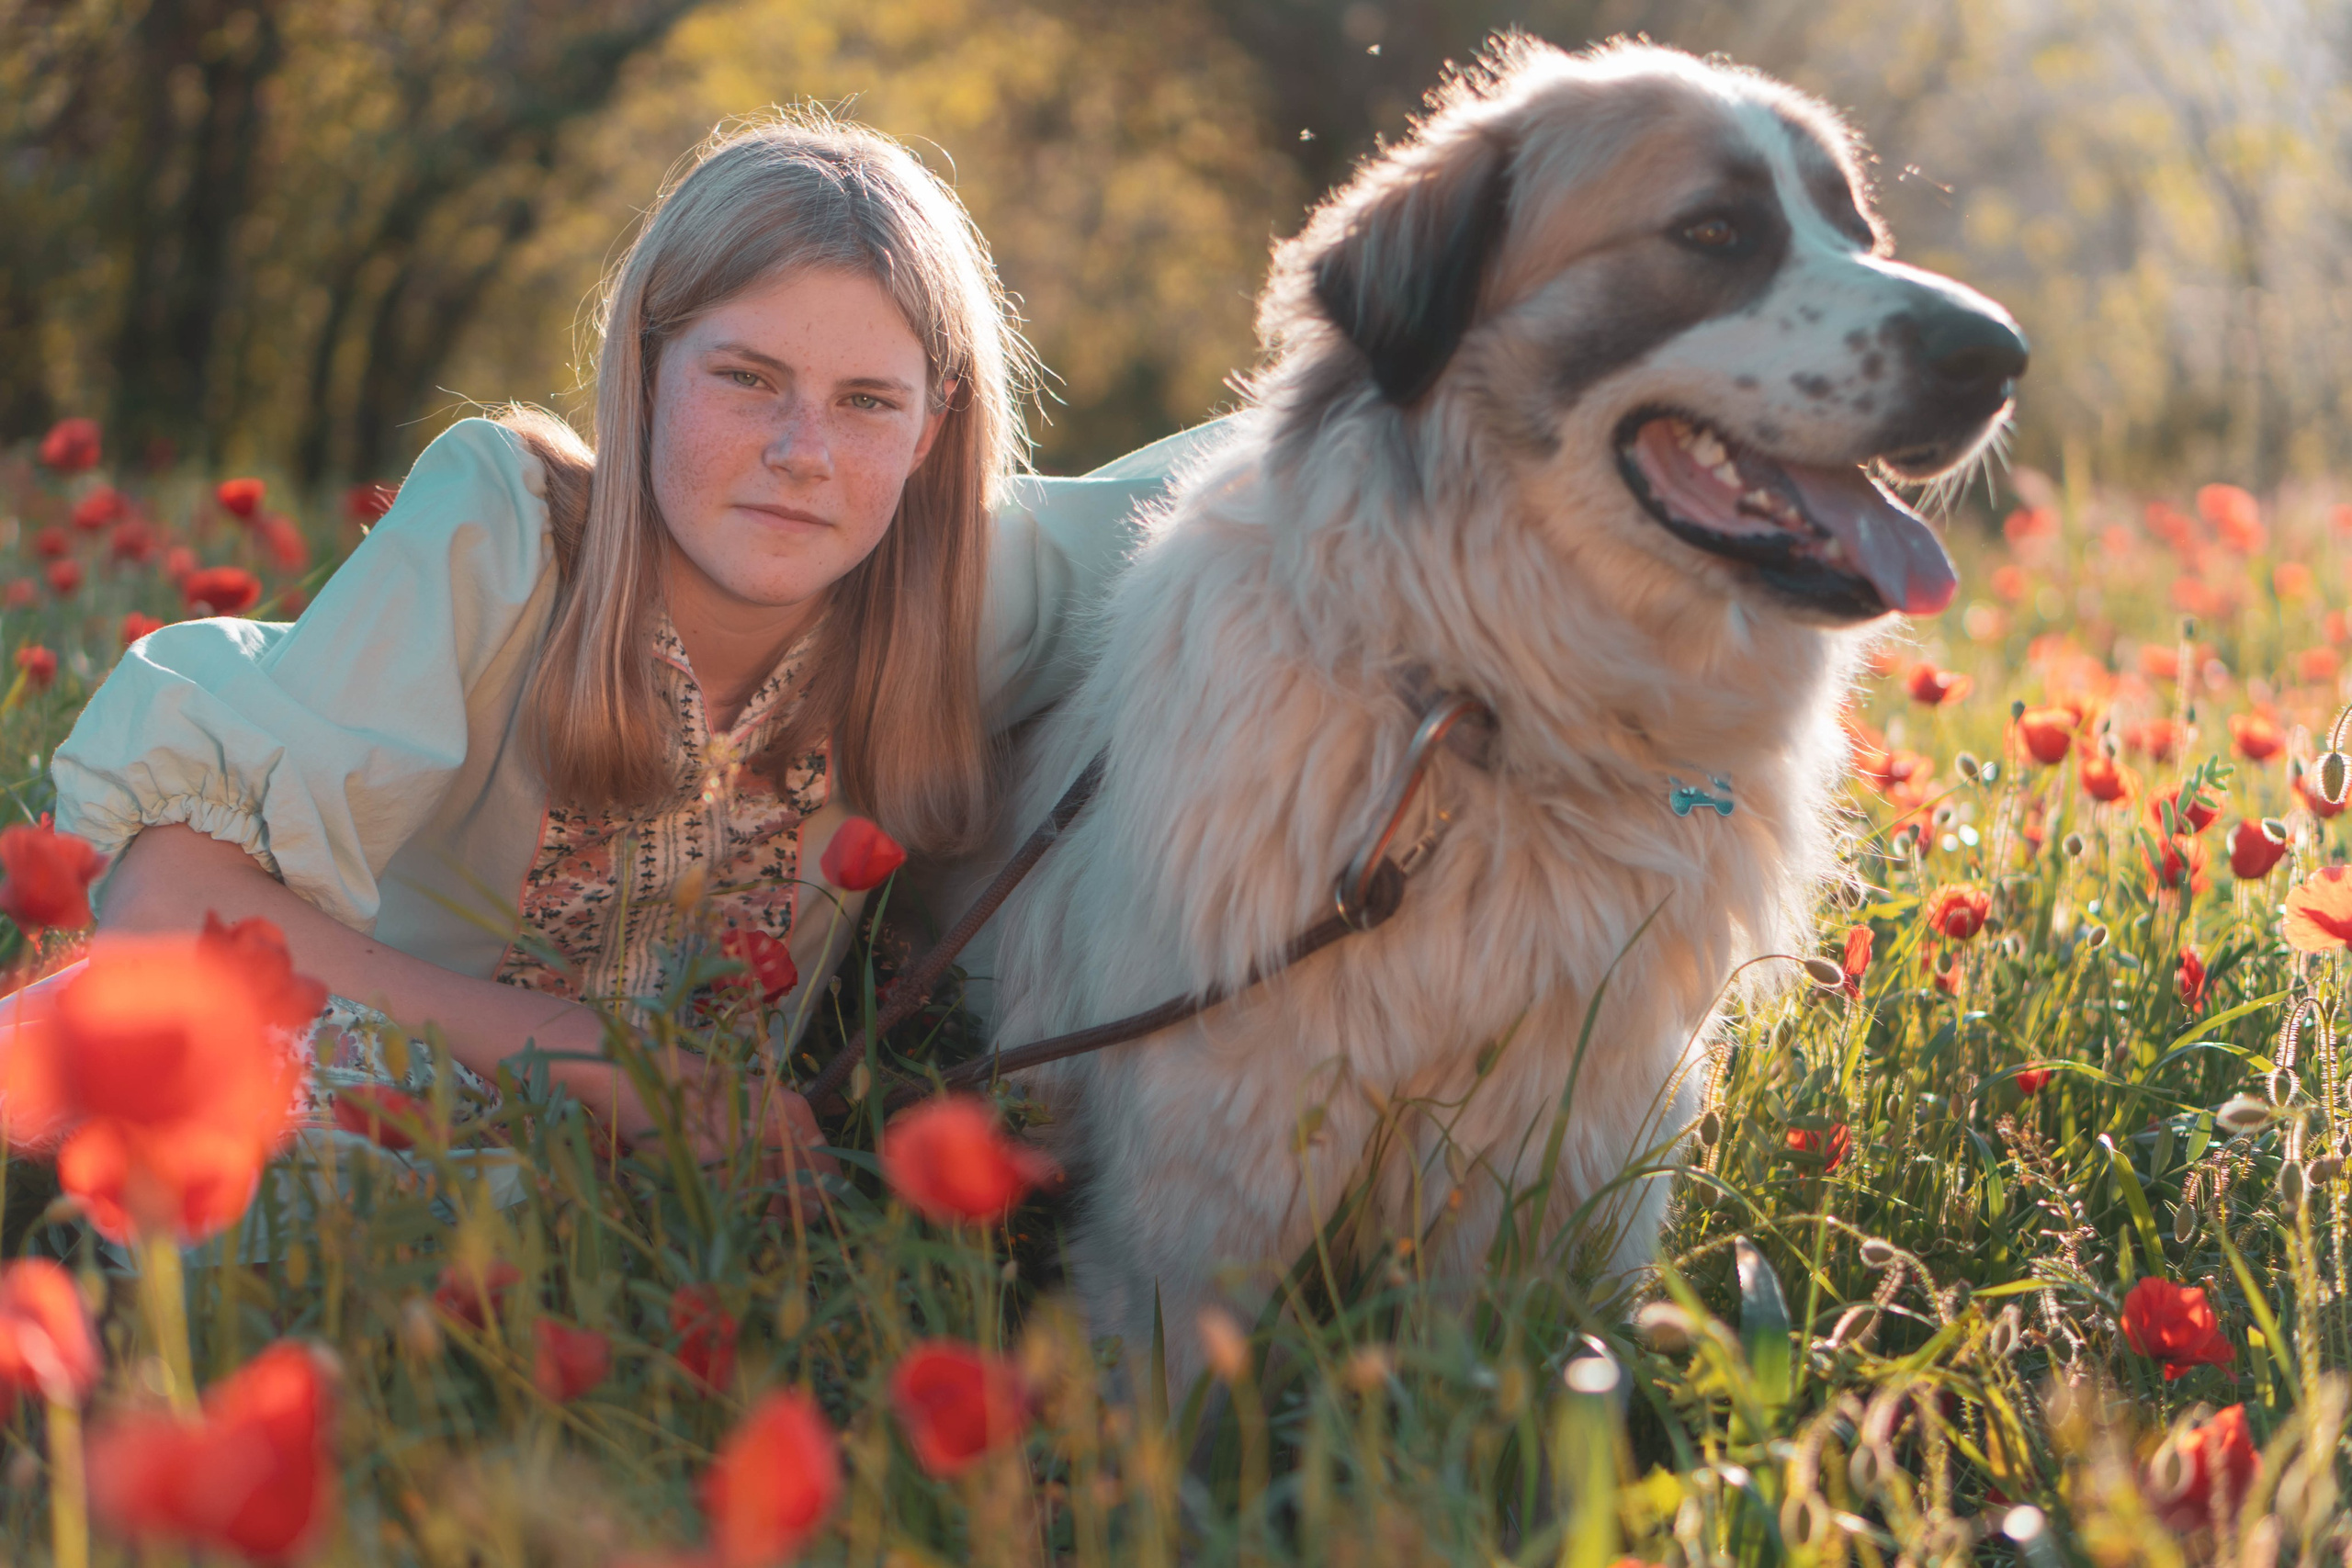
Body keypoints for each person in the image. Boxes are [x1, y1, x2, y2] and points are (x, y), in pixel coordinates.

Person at [45, 110, 1214, 1179]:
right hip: (346, 1085)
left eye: (867, 402)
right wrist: (589, 1055)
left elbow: (1282, 470)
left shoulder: (963, 593)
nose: (802, 450)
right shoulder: (502, 534)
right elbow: (162, 899)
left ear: (932, 429)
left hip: (656, 1215)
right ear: (645, 369)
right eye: (748, 378)